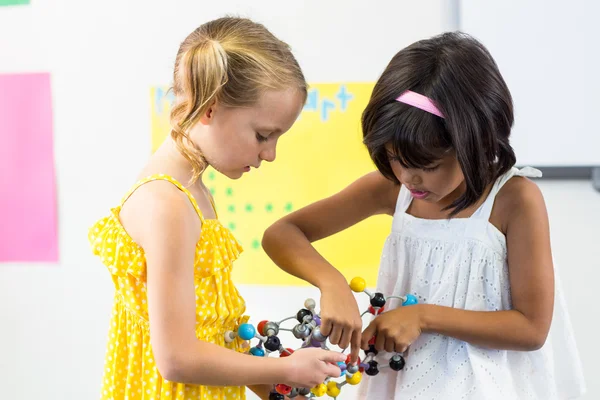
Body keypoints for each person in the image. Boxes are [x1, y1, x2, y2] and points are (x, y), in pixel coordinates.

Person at [262, 32, 586, 399]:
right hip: (402, 383)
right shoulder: (390, 189)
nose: (408, 177)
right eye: (396, 159)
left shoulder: (514, 200)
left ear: (477, 140)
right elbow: (282, 234)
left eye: (427, 165)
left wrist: (423, 317)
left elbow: (531, 328)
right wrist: (332, 284)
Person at [88, 17, 345, 400]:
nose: (270, 154)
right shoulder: (168, 204)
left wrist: (273, 384)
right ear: (209, 108)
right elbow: (176, 357)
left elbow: (207, 334)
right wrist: (284, 367)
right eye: (262, 135)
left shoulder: (192, 191)